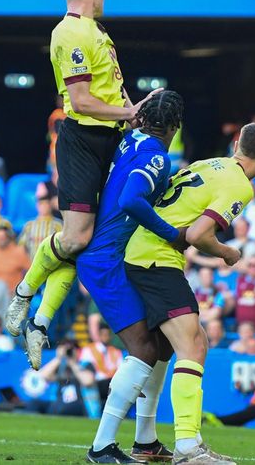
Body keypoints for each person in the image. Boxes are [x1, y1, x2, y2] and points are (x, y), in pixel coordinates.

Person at [7, 0, 163, 359]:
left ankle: (40, 323)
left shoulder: (96, 31)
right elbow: (80, 100)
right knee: (76, 236)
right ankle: (24, 293)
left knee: (89, 243)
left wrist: (135, 120)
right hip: (82, 141)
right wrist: (128, 114)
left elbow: (115, 89)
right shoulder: (69, 31)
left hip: (112, 138)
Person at [23, 93, 186, 463]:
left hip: (109, 255)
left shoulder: (130, 139)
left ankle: (145, 440)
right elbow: (131, 200)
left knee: (162, 343)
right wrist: (172, 235)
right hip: (107, 261)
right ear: (174, 127)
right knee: (143, 348)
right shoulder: (157, 156)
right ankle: (102, 445)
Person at [124, 122, 255, 464]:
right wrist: (227, 253)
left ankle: (148, 442)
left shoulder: (208, 164)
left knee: (177, 346)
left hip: (144, 252)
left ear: (236, 142)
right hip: (155, 258)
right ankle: (188, 446)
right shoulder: (241, 186)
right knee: (192, 346)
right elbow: (197, 234)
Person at [79, 324, 124, 402]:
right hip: (97, 383)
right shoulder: (89, 350)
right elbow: (85, 370)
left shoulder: (116, 351)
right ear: (99, 335)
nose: (106, 337)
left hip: (112, 382)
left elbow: (120, 369)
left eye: (107, 335)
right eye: (103, 335)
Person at [0, 228, 31, 295]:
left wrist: (21, 288)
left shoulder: (19, 252)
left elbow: (30, 272)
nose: (0, 240)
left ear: (9, 238)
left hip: (12, 294)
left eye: (3, 237)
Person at [19, 195, 63, 259]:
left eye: (46, 204)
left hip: (51, 264)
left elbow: (62, 246)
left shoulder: (58, 224)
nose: (43, 207)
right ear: (37, 206)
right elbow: (22, 246)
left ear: (50, 206)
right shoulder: (29, 225)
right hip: (31, 264)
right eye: (41, 204)